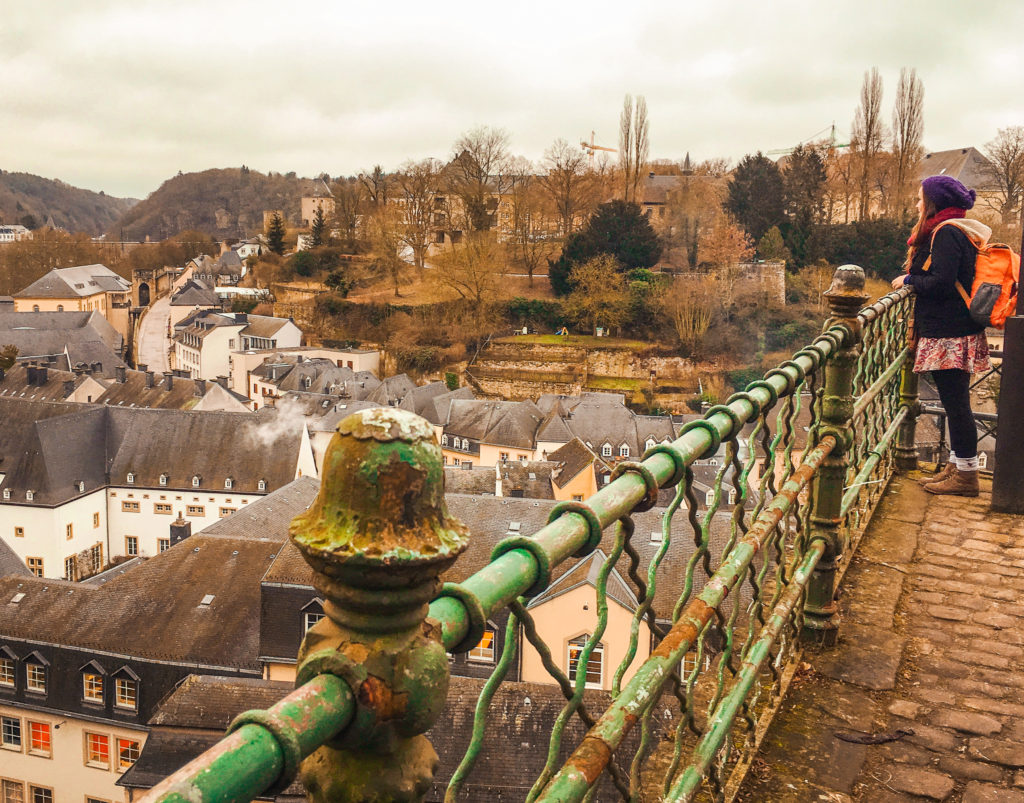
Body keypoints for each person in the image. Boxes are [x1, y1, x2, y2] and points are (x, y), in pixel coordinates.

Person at [891, 175, 991, 497]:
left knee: (957, 405)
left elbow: (941, 283)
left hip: (950, 334)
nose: (917, 204)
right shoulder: (954, 230)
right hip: (953, 331)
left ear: (934, 202)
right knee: (954, 403)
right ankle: (957, 466)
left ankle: (966, 477)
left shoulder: (947, 233)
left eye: (921, 198)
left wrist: (908, 280)